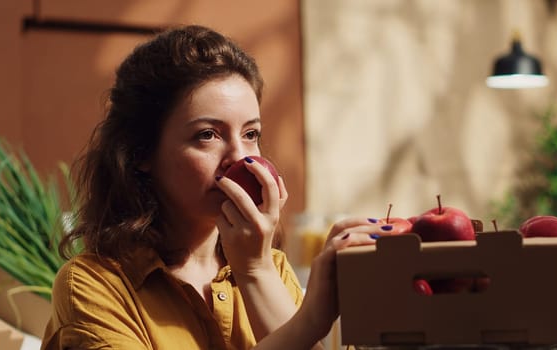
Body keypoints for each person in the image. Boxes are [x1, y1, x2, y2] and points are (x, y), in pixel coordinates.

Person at [41, 24, 386, 350]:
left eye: (251, 134)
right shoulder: (93, 285)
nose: (239, 158)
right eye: (207, 135)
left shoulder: (273, 267)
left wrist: (257, 270)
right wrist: (308, 320)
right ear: (141, 151)